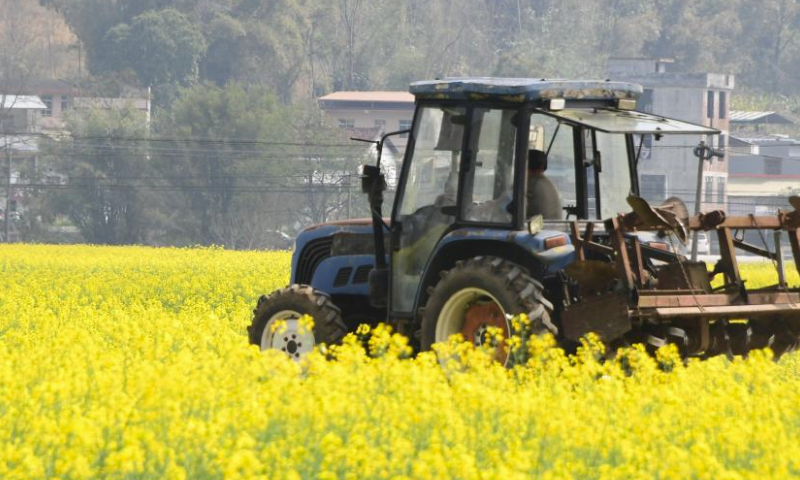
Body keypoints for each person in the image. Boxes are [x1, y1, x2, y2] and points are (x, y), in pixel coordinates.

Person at [526, 149, 562, 220]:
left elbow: (510, 208)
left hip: (538, 226)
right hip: (550, 226)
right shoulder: (548, 184)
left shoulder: (531, 184)